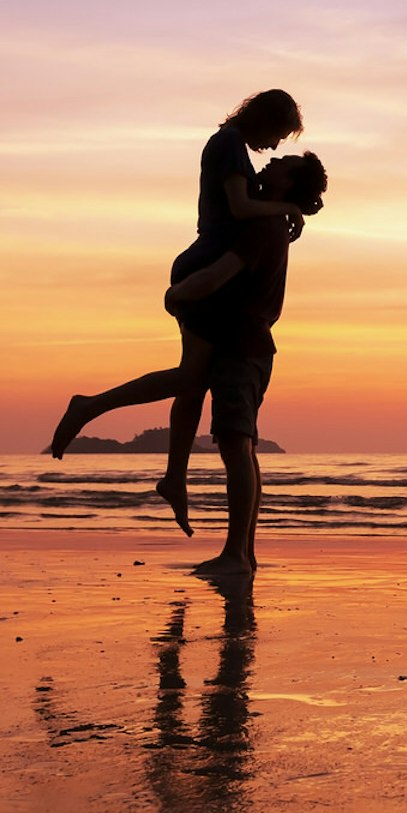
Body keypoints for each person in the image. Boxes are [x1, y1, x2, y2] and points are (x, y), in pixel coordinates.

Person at [47, 91, 311, 511]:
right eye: (279, 134)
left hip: (206, 267)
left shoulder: (233, 147)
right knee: (191, 380)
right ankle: (91, 407)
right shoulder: (227, 144)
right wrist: (288, 207)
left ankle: (173, 477)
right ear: (264, 119)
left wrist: (284, 208)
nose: (277, 147)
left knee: (193, 382)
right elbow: (240, 208)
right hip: (206, 269)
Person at [162, 152, 327, 578]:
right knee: (243, 447)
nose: (270, 162)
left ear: (288, 184)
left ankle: (236, 554)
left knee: (236, 446)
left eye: (283, 163)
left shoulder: (262, 228)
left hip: (242, 347)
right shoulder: (270, 222)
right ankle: (243, 554)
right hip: (250, 346)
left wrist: (176, 293)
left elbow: (217, 276)